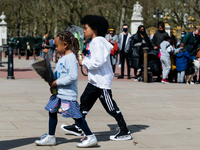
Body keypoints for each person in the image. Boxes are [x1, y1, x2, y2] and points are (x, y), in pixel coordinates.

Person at [61, 15, 132, 141]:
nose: (84, 31)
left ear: (94, 28)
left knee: (111, 107)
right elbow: (95, 60)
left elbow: (97, 62)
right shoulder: (95, 42)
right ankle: (78, 126)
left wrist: (84, 62)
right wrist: (85, 58)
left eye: (86, 28)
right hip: (94, 81)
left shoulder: (98, 42)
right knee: (84, 100)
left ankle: (124, 130)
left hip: (101, 82)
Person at [34, 30, 98, 148]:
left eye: (57, 46)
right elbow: (60, 74)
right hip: (59, 93)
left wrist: (56, 82)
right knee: (52, 110)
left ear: (65, 45)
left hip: (68, 95)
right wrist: (51, 81)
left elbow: (72, 77)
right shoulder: (63, 58)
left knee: (76, 116)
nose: (56, 48)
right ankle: (51, 136)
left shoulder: (70, 59)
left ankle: (90, 136)